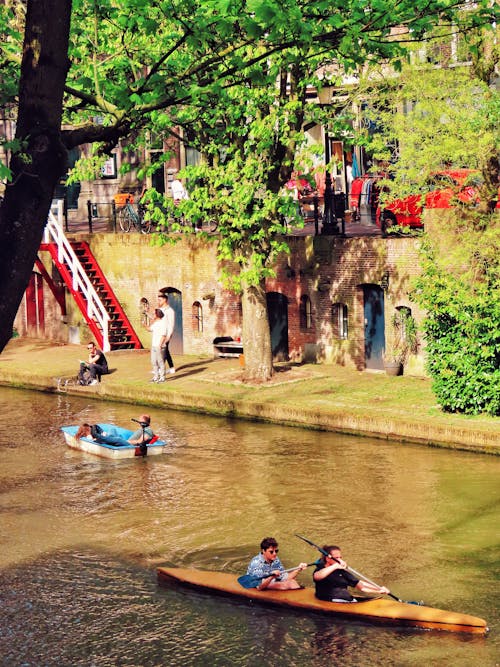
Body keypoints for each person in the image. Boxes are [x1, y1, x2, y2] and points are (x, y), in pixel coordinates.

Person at [313, 545, 390, 602]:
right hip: (328, 600)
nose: (340, 560)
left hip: (346, 599)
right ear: (327, 558)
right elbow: (317, 577)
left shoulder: (341, 570)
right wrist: (335, 566)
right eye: (336, 558)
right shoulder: (320, 569)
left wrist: (379, 589)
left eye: (340, 557)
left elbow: (361, 586)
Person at [77, 414, 155, 447]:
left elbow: (140, 442)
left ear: (145, 422)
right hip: (125, 441)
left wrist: (128, 442)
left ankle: (97, 437)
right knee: (112, 429)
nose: (139, 422)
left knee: (117, 439)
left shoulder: (148, 431)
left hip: (128, 445)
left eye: (140, 421)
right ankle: (102, 434)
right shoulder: (144, 429)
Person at [156, 292, 175, 375]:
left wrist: (169, 335)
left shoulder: (170, 311)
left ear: (165, 300)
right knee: (165, 351)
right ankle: (171, 368)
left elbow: (171, 324)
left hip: (166, 334)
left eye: (160, 300)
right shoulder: (161, 310)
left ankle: (161, 369)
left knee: (163, 350)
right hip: (160, 333)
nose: (158, 301)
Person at [147, 308, 167, 382]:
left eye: (154, 314)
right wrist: (145, 325)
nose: (153, 315)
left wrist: (160, 345)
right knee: (153, 361)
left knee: (160, 362)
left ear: (157, 315)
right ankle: (156, 377)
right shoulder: (155, 323)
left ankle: (162, 377)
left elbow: (164, 335)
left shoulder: (163, 323)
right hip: (154, 345)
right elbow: (149, 329)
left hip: (160, 346)